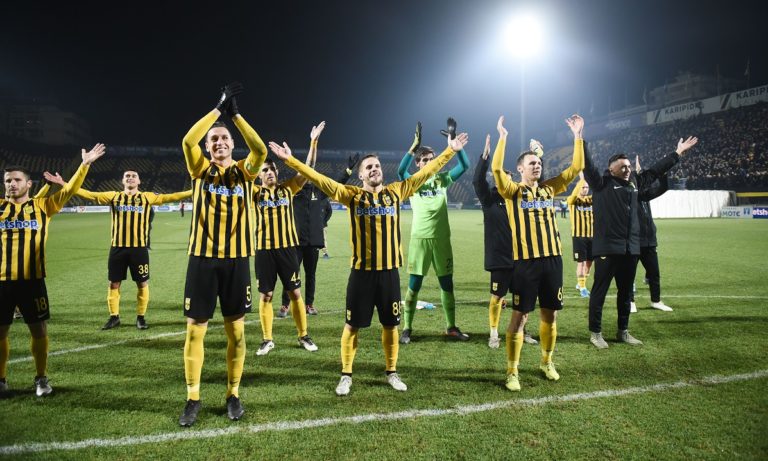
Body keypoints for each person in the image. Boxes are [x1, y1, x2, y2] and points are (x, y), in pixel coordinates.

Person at [270, 130, 468, 396]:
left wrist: (451, 150)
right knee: (352, 326)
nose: (375, 169)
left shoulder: (396, 192)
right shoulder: (352, 195)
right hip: (361, 275)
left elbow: (426, 172)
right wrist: (291, 161)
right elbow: (319, 179)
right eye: (369, 167)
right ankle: (346, 374)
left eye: (377, 166)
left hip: (389, 274)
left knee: (391, 325)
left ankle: (391, 372)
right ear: (361, 175)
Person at [178, 83, 267, 427]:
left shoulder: (246, 172)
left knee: (237, 333)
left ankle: (233, 394)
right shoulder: (200, 169)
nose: (218, 142)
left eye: (224, 138)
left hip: (237, 261)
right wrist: (217, 109)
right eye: (213, 139)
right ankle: (193, 398)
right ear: (208, 147)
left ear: (232, 144)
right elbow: (187, 141)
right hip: (202, 259)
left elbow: (260, 149)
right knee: (195, 332)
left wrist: (236, 116)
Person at [0, 144, 106, 396]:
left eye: (17, 180)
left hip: (33, 281)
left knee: (38, 330)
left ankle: (41, 378)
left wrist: (85, 165)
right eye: (8, 181)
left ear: (28, 184)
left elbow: (69, 190)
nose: (12, 184)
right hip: (2, 281)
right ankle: (1, 380)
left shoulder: (44, 207)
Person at [492, 115, 584, 392]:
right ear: (520, 169)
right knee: (520, 317)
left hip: (553, 261)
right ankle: (512, 371)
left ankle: (546, 361)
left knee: (550, 315)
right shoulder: (512, 191)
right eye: (531, 163)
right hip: (525, 264)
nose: (537, 165)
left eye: (539, 163)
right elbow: (496, 169)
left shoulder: (549, 188)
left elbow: (576, 167)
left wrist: (578, 135)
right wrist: (503, 138)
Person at [583, 136, 698, 349]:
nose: (627, 170)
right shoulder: (601, 184)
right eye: (622, 167)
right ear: (611, 169)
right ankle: (596, 333)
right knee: (600, 292)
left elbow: (654, 171)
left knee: (626, 293)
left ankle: (623, 331)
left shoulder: (634, 183)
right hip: (608, 249)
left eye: (628, 166)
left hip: (630, 249)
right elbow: (588, 165)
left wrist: (677, 153)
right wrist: (579, 138)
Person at [47, 170, 191, 330]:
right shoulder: (114, 196)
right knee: (113, 283)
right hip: (117, 248)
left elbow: (173, 197)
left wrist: (194, 190)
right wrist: (63, 183)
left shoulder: (147, 197)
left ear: (139, 181)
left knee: (142, 283)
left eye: (134, 176)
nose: (130, 178)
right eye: (127, 176)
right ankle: (114, 317)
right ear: (123, 181)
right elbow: (88, 194)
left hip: (139, 249)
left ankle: (141, 317)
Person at [252, 122, 325, 357]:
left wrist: (313, 141)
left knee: (295, 293)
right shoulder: (254, 193)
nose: (270, 172)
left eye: (272, 168)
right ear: (259, 175)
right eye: (265, 170)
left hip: (287, 250)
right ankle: (267, 339)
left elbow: (308, 169)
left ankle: (303, 335)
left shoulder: (287, 189)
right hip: (264, 251)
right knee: (266, 295)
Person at [397, 118, 471, 344]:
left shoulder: (442, 179)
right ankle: (407, 328)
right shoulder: (413, 182)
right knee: (414, 286)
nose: (430, 162)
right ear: (418, 164)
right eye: (425, 160)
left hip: (441, 240)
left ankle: (451, 327)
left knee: (447, 284)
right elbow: (400, 171)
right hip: (420, 240)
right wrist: (413, 148)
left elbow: (465, 166)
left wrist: (457, 148)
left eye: (432, 159)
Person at [473, 134, 538, 349]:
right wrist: (485, 157)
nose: (506, 179)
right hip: (500, 258)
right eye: (502, 176)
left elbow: (536, 183)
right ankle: (493, 333)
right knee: (497, 297)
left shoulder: (519, 197)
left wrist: (537, 155)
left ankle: (522, 330)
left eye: (509, 176)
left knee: (523, 299)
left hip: (522, 256)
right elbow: (477, 181)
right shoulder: (489, 199)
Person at [278, 152, 357, 317]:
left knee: (311, 275)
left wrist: (348, 170)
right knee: (291, 274)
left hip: (313, 241)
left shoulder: (318, 192)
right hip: (295, 241)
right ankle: (285, 305)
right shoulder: (293, 191)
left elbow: (336, 185)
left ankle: (309, 304)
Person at [632, 156, 673, 312]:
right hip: (634, 241)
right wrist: (638, 173)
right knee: (629, 275)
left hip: (649, 240)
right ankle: (630, 302)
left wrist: (663, 172)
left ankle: (656, 301)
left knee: (654, 273)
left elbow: (663, 188)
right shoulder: (629, 194)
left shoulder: (646, 194)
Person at [567, 174, 593, 298]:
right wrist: (581, 179)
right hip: (579, 237)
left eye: (587, 187)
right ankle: (582, 287)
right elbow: (574, 193)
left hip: (592, 236)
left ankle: (580, 283)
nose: (585, 189)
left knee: (589, 263)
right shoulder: (572, 200)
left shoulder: (591, 200)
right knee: (581, 263)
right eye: (583, 187)